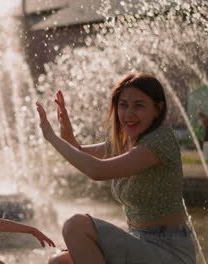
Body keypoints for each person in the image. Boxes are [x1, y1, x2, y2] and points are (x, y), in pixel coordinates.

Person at [35, 73, 196, 264]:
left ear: (157, 109)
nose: (128, 114)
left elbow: (97, 171)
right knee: (59, 262)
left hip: (169, 250)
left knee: (76, 226)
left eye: (139, 105)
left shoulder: (160, 139)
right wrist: (65, 131)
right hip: (139, 240)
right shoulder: (125, 141)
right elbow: (79, 153)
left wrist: (52, 138)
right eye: (123, 105)